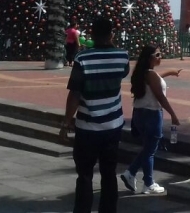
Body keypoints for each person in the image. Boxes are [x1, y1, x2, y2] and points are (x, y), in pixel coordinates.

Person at [59, 17, 130, 213]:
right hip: (113, 126)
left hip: (87, 128)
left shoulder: (82, 59)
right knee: (109, 173)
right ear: (111, 34)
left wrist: (66, 123)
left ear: (91, 34)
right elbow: (123, 73)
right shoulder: (122, 57)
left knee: (84, 175)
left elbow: (74, 93)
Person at [121, 45, 181, 196]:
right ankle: (148, 183)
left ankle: (131, 173)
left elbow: (155, 78)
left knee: (148, 148)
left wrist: (170, 72)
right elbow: (160, 96)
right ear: (150, 58)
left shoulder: (142, 73)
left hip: (139, 114)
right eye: (158, 54)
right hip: (152, 114)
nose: (161, 57)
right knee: (150, 151)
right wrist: (173, 115)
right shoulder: (150, 75)